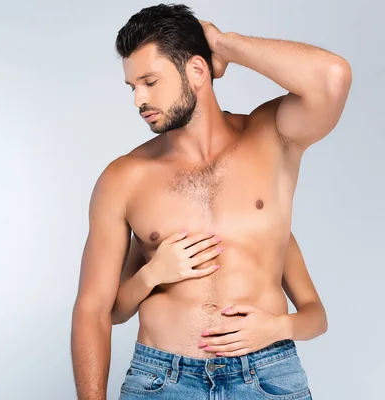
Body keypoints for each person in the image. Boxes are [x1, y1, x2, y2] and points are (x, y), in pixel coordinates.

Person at [70, 3, 351, 399]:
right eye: (133, 86)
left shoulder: (270, 138)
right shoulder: (122, 178)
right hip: (161, 379)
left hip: (266, 374)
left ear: (197, 71)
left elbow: (332, 77)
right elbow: (93, 310)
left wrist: (223, 43)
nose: (139, 100)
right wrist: (152, 274)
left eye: (150, 81)